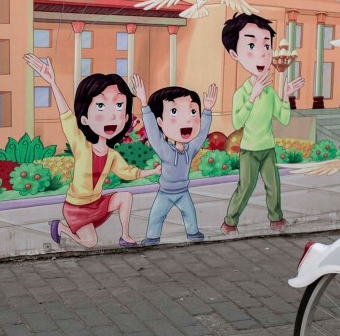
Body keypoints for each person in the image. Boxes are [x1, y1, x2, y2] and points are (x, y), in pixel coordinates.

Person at [24, 54, 160, 248]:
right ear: (85, 119)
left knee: (125, 196)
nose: (112, 115)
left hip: (97, 203)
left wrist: (154, 171)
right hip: (76, 207)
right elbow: (67, 118)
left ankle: (126, 236)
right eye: (101, 106)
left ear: (126, 117)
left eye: (119, 105)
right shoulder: (81, 145)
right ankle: (61, 228)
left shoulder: (112, 155)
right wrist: (52, 82)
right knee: (89, 243)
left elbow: (129, 172)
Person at [219, 13, 305, 235]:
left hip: (268, 148)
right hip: (249, 150)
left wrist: (286, 96)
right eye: (251, 45)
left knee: (273, 185)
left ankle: (276, 219)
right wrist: (252, 96)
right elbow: (237, 121)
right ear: (234, 54)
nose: (262, 53)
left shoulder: (269, 92)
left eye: (267, 46)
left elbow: (283, 118)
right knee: (246, 187)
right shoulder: (241, 93)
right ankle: (229, 222)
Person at [130, 75, 216, 246]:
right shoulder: (165, 151)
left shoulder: (190, 149)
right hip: (165, 192)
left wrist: (207, 110)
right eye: (175, 112)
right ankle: (152, 237)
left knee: (190, 214)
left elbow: (201, 134)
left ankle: (193, 233)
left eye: (193, 112)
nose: (187, 119)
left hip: (183, 191)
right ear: (160, 122)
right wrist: (144, 104)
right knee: (156, 215)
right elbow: (153, 135)